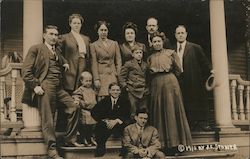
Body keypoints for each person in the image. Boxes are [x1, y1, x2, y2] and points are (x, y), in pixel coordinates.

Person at [22, 25, 79, 159]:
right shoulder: (36, 49)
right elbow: (25, 71)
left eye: (56, 35)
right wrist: (35, 86)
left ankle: (69, 140)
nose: (54, 37)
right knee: (48, 118)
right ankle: (52, 149)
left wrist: (64, 62)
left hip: (59, 87)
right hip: (45, 86)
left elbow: (58, 59)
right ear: (44, 35)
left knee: (74, 107)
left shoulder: (57, 51)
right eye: (51, 34)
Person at [147, 32, 192, 155]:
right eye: (154, 41)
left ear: (163, 42)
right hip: (156, 84)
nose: (157, 43)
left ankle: (176, 145)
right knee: (159, 112)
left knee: (171, 111)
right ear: (151, 43)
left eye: (159, 41)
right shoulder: (150, 57)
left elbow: (178, 70)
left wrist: (171, 82)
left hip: (170, 84)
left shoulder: (171, 53)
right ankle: (162, 145)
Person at [174, 25, 212, 131]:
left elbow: (204, 64)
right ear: (175, 35)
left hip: (193, 79)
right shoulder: (172, 49)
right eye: (178, 33)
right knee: (183, 101)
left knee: (196, 100)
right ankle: (188, 124)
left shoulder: (195, 47)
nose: (180, 35)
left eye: (182, 33)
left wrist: (207, 77)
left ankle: (202, 123)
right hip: (179, 80)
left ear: (186, 34)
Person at [91, 83, 131, 157]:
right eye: (113, 90)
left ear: (120, 91)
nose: (115, 92)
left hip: (119, 124)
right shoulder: (104, 101)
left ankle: (124, 149)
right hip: (107, 124)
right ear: (109, 91)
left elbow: (127, 115)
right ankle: (101, 147)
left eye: (117, 90)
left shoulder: (125, 101)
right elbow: (94, 112)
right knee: (100, 125)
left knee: (125, 126)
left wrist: (116, 121)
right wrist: (105, 120)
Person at [90, 21, 122, 100]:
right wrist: (96, 79)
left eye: (105, 30)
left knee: (114, 95)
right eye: (101, 30)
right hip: (101, 75)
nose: (103, 32)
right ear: (97, 31)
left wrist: (118, 74)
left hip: (112, 74)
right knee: (103, 97)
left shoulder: (114, 43)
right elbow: (93, 63)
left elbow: (118, 60)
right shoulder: (93, 45)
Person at [59, 13, 90, 93]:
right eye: (74, 23)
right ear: (70, 24)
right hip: (70, 66)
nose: (76, 25)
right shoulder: (64, 37)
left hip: (83, 65)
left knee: (81, 88)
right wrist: (64, 62)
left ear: (81, 25)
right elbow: (58, 52)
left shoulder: (86, 39)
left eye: (78, 23)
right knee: (70, 89)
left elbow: (88, 55)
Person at [118, 45, 148, 119]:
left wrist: (147, 88)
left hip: (143, 90)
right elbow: (121, 77)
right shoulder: (128, 64)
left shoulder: (145, 65)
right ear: (132, 54)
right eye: (136, 53)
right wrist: (125, 86)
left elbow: (148, 78)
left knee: (143, 109)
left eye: (140, 52)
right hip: (132, 90)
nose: (139, 54)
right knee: (133, 109)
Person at [71, 71, 97, 147]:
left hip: (92, 110)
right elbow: (76, 97)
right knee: (85, 126)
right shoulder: (80, 90)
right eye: (86, 81)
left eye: (90, 81)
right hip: (85, 110)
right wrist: (79, 101)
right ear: (81, 81)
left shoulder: (92, 90)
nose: (88, 83)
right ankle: (84, 139)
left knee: (93, 125)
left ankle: (91, 138)